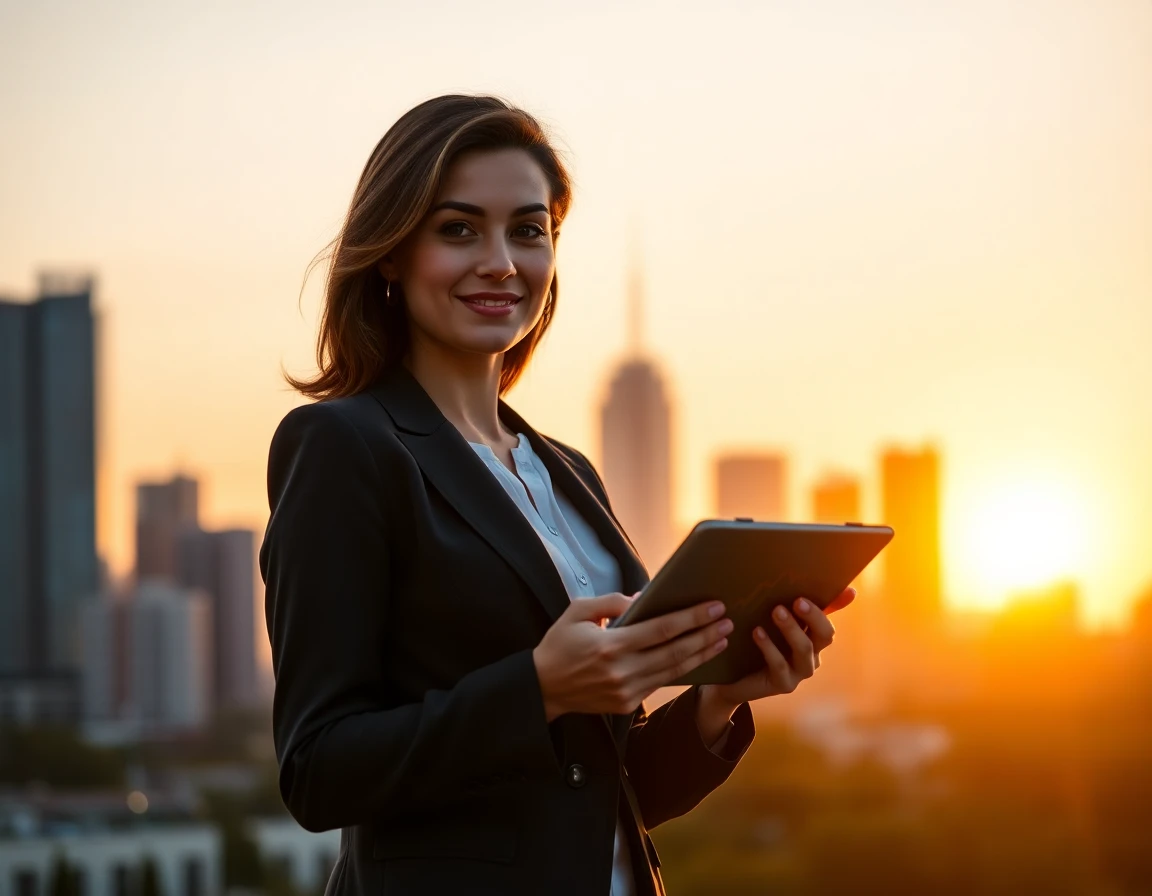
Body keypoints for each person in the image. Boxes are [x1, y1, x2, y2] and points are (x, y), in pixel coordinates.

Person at [260, 94, 855, 896]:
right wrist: (537, 690)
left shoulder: (568, 473)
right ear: (392, 252)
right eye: (459, 228)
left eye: (528, 230)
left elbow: (608, 786)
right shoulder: (344, 446)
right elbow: (317, 769)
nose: (502, 260)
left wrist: (718, 698)